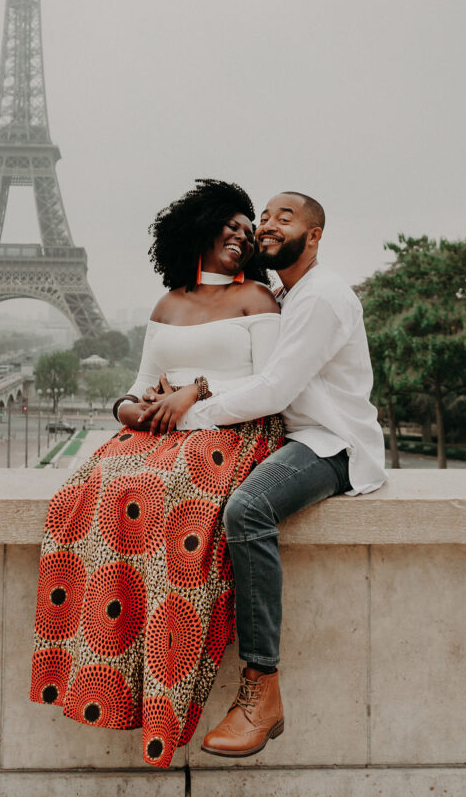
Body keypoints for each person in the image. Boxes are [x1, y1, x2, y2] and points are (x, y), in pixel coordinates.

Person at [30, 179, 285, 768]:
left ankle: (166, 681)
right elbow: (136, 387)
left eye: (250, 231)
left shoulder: (256, 300)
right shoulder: (167, 305)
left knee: (160, 492)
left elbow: (273, 385)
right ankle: (103, 669)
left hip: (233, 430)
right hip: (162, 433)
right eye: (233, 225)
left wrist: (196, 391)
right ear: (201, 226)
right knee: (84, 490)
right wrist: (135, 410)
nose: (243, 237)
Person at [140, 191, 387, 758]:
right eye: (265, 219)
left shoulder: (320, 298)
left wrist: (185, 411)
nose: (268, 226)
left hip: (333, 445)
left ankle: (262, 687)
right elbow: (264, 378)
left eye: (285, 217)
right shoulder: (286, 294)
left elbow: (274, 389)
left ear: (316, 234)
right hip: (297, 435)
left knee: (248, 509)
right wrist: (187, 391)